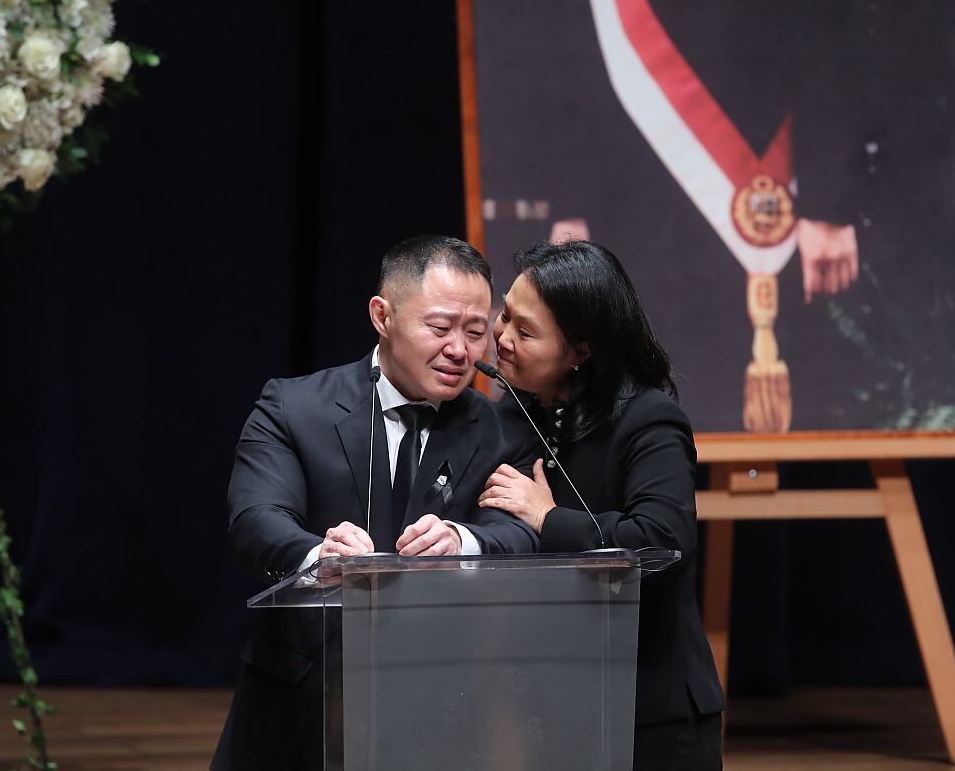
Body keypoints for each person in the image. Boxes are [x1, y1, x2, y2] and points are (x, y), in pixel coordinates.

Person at [213, 236, 539, 771]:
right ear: (382, 316)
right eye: (440, 328)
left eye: (476, 331)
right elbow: (255, 518)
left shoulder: (504, 430)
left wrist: (466, 540)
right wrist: (319, 556)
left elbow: (520, 529)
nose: (460, 350)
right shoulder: (293, 407)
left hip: (450, 702)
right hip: (305, 695)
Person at [478, 240, 725, 770]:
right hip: (548, 707)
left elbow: (662, 543)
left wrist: (546, 518)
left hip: (651, 711)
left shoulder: (648, 419)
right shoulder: (513, 414)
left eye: (525, 331)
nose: (501, 337)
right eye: (505, 316)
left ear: (580, 352)